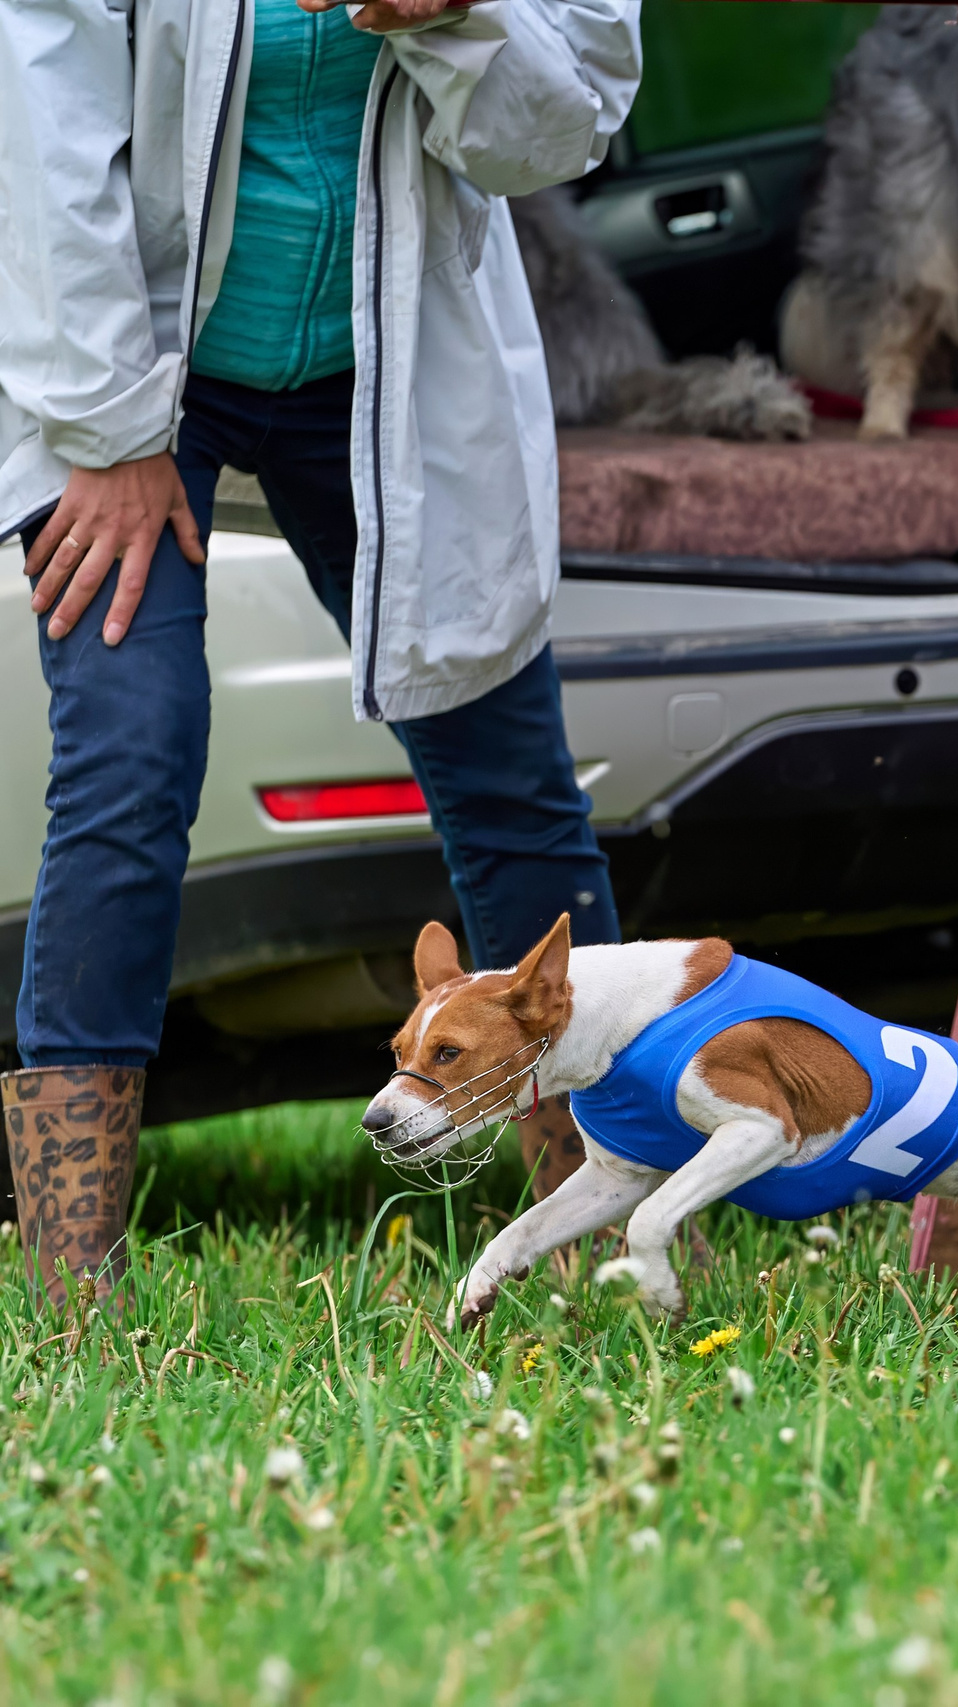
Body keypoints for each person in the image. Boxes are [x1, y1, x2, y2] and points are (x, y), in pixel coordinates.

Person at [0, 0, 641, 1304]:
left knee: (511, 781)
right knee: (130, 753)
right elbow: (41, 134)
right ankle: (73, 1284)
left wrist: (458, 18)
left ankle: (604, 1234)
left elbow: (558, 132)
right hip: (135, 359)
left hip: (388, 361)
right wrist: (108, 430)